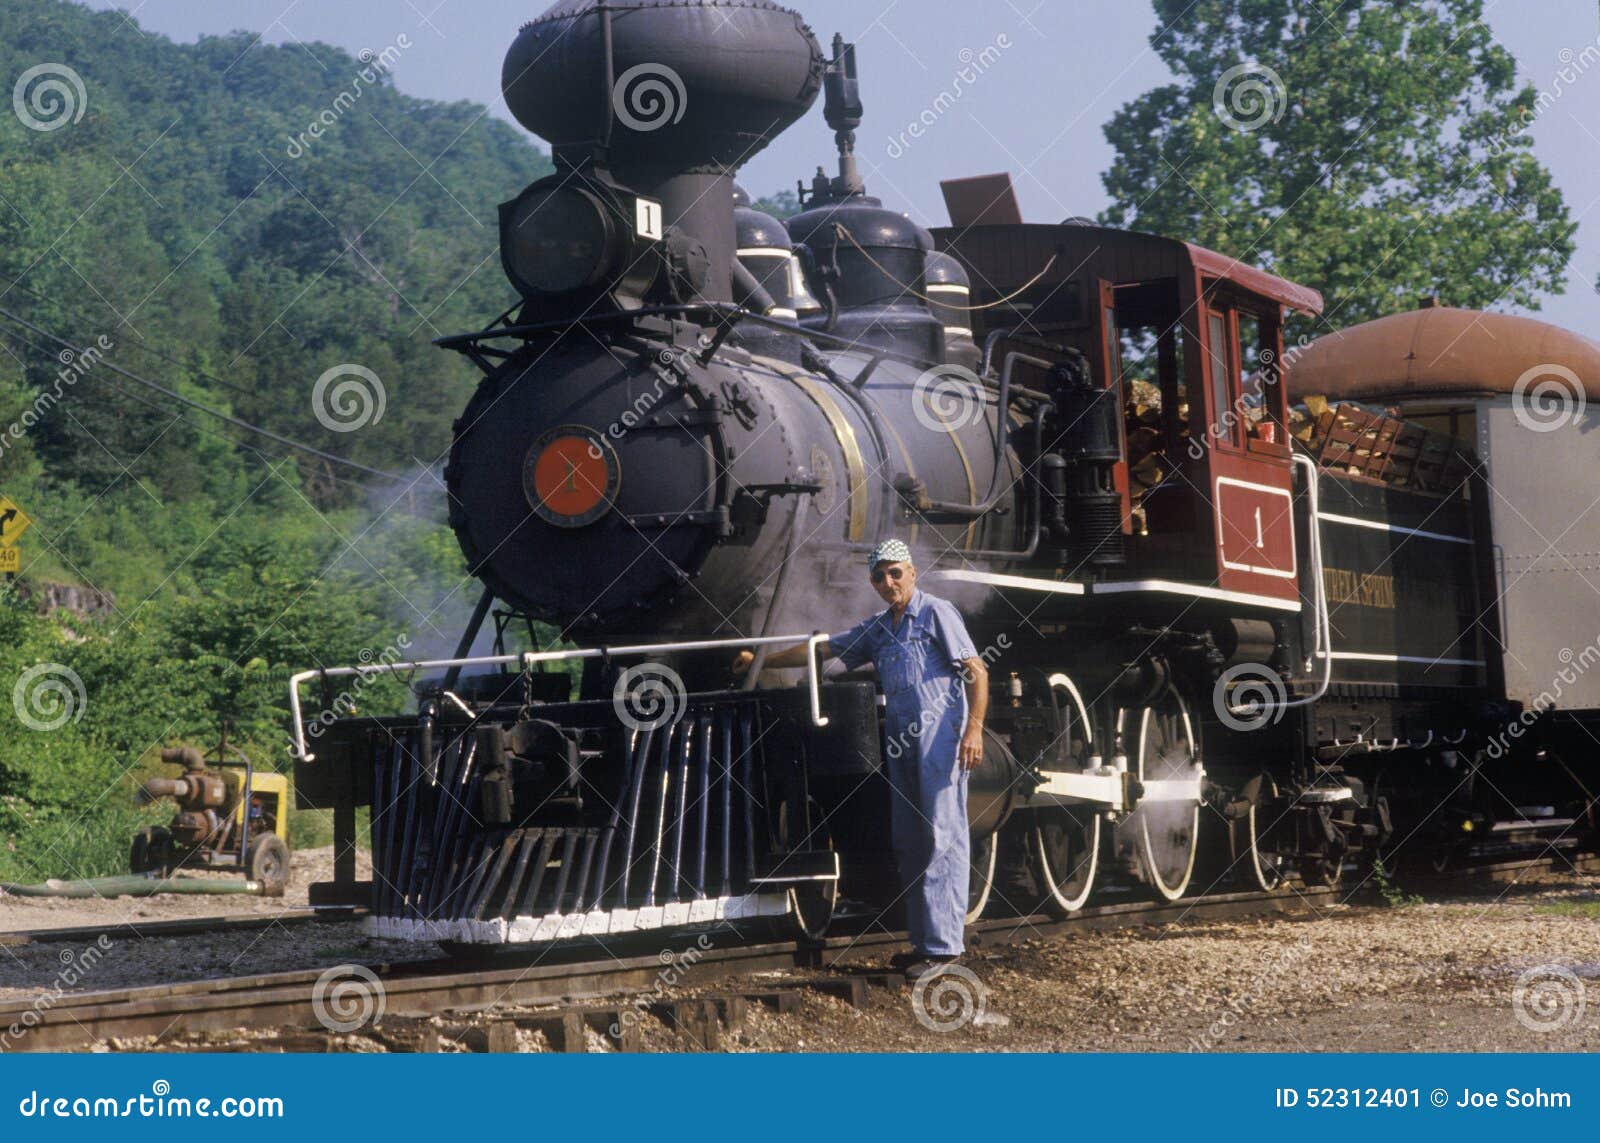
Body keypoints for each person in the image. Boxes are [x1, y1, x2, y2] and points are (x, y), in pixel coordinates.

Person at [733, 539, 988, 979]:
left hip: (941, 742)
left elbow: (977, 671)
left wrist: (975, 729)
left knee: (942, 837)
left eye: (895, 573)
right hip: (903, 743)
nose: (888, 582)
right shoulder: (879, 628)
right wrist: (762, 660)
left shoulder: (937, 613)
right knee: (910, 841)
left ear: (912, 572)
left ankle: (945, 950)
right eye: (879, 576)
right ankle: (924, 944)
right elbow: (824, 650)